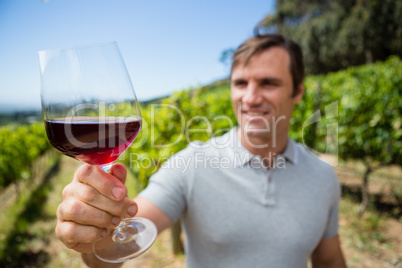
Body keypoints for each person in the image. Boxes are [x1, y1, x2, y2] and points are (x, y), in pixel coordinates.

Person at [55, 33, 347, 268]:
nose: (251, 97)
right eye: (240, 83)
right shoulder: (192, 164)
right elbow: (121, 244)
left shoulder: (323, 176)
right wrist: (96, 233)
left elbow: (329, 260)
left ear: (297, 93)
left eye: (268, 83)